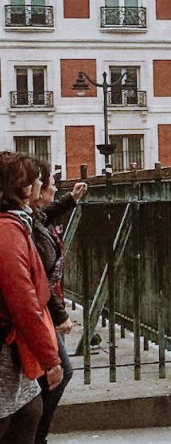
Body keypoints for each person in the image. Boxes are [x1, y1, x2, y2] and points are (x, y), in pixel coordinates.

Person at [0, 152, 63, 444]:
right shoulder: (8, 230)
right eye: (31, 179)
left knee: (28, 410)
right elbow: (23, 300)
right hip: (7, 344)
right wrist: (50, 359)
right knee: (21, 416)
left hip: (14, 342)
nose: (38, 183)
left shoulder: (17, 222)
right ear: (20, 187)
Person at [30, 163, 87, 444]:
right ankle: (36, 436)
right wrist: (61, 314)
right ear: (35, 189)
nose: (54, 187)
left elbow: (47, 216)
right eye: (50, 182)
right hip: (43, 311)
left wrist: (71, 199)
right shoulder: (25, 224)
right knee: (58, 373)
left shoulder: (33, 217)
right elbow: (38, 274)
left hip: (44, 310)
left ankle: (35, 435)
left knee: (51, 376)